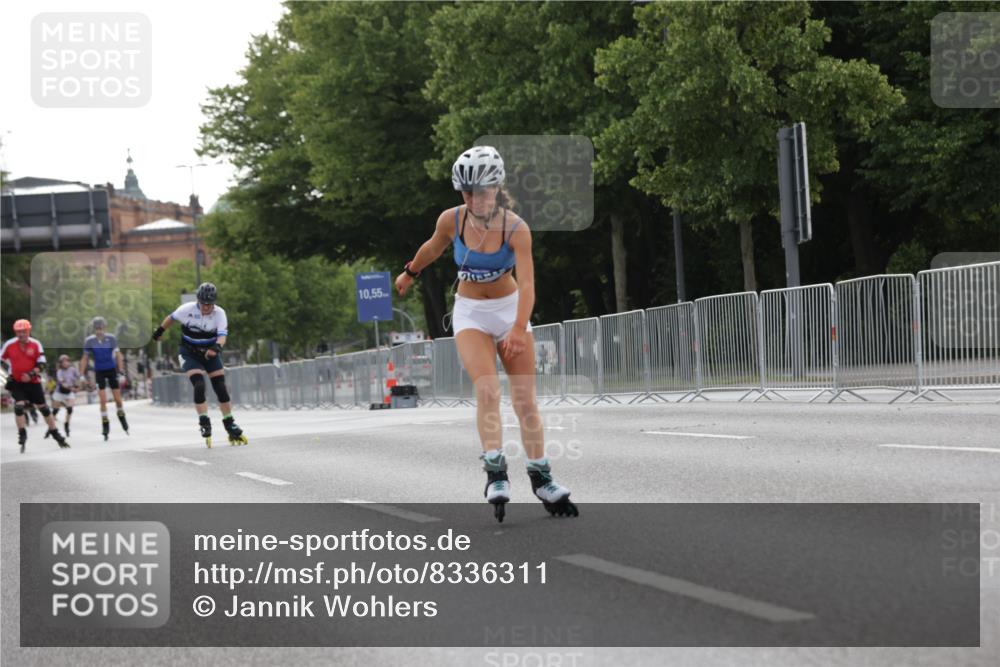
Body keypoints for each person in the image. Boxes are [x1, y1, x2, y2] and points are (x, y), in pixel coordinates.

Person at [395, 145, 577, 522]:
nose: (474, 199)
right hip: (471, 312)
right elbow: (432, 248)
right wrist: (410, 273)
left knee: (525, 400)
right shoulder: (452, 220)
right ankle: (496, 473)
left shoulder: (516, 228)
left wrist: (516, 328)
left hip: (511, 309)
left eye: (481, 191)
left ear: (496, 187)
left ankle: (542, 477)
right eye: (466, 192)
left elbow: (527, 286)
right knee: (488, 389)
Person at [151, 282, 247, 447]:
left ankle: (229, 423)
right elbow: (171, 318)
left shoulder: (220, 313)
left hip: (210, 352)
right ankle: (204, 421)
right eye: (203, 303)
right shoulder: (187, 309)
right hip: (189, 353)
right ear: (198, 301)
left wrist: (216, 348)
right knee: (199, 384)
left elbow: (222, 336)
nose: (206, 307)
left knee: (221, 387)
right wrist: (159, 331)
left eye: (210, 304)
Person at [1, 319, 71, 452]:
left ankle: (55, 432)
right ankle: (22, 433)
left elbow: (42, 364)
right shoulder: (9, 345)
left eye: (24, 332)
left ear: (28, 331)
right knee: (19, 406)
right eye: (18, 332)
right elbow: (1, 360)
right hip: (16, 381)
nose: (21, 334)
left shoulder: (36, 344)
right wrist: (8, 374)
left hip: (33, 381)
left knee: (43, 408)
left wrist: (31, 374)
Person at [80, 317, 129, 440]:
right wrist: (81, 374)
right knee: (103, 401)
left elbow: (118, 355)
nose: (99, 331)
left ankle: (121, 415)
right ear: (94, 329)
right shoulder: (89, 341)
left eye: (101, 328)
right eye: (97, 329)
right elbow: (85, 358)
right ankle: (105, 423)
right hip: (99, 371)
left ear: (104, 328)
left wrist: (121, 370)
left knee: (118, 399)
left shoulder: (111, 338)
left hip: (111, 370)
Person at [50, 354, 81, 436]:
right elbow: (63, 383)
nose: (66, 363)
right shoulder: (59, 372)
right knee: (55, 411)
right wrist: (72, 388)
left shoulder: (73, 370)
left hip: (69, 392)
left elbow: (79, 377)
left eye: (67, 361)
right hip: (60, 392)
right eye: (63, 362)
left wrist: (79, 385)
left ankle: (66, 425)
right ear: (60, 363)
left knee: (70, 409)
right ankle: (50, 427)